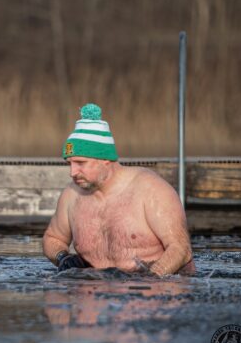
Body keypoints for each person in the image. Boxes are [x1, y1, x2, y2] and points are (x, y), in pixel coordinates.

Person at [42, 103, 194, 276]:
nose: (72, 172)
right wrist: (63, 257)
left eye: (80, 163)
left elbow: (180, 249)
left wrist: (151, 280)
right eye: (70, 163)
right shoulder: (71, 195)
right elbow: (52, 238)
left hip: (152, 295)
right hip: (96, 291)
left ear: (105, 159)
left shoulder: (151, 190)